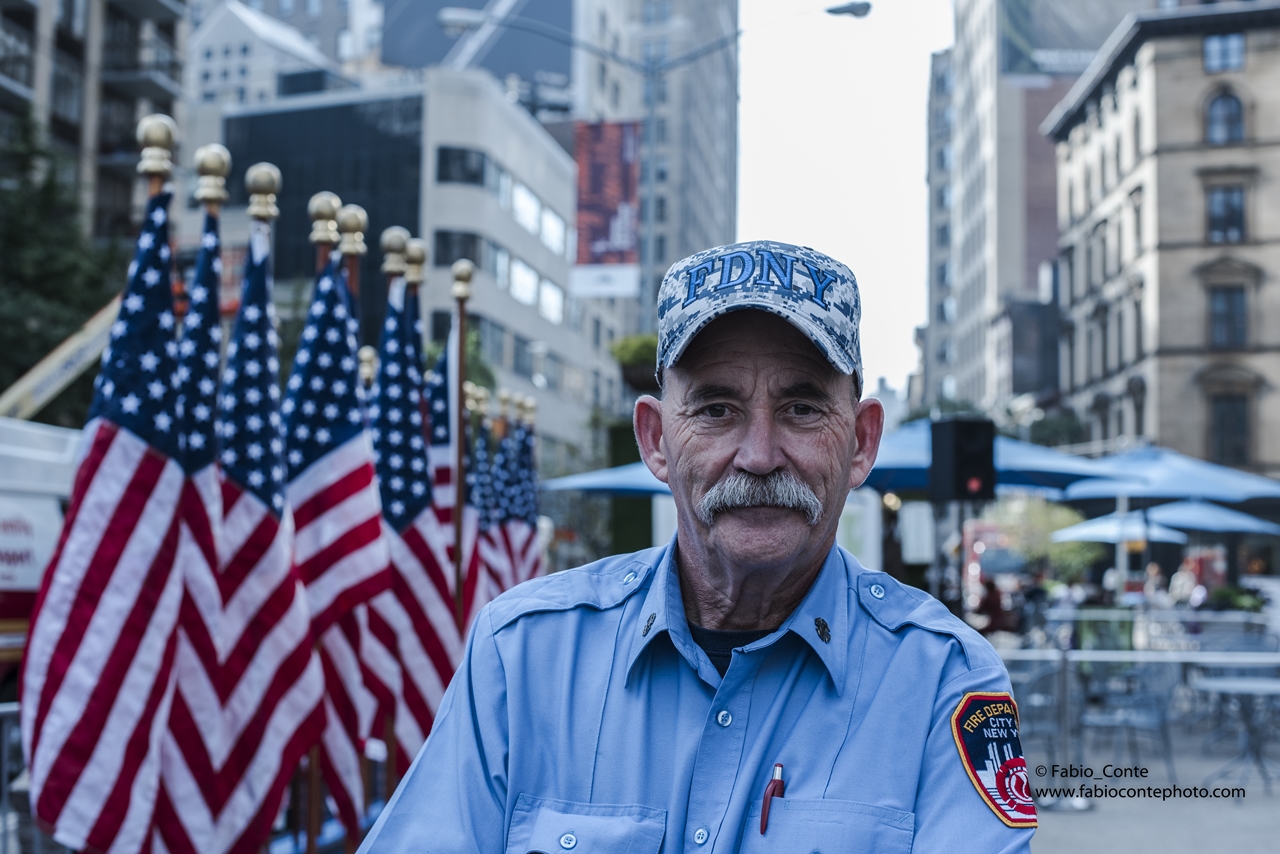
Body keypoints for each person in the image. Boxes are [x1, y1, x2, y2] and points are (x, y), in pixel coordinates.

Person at [359, 241, 1035, 853]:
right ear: (655, 439)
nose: (760, 455)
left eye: (801, 408)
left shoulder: (944, 681)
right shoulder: (523, 655)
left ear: (860, 442)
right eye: (716, 409)